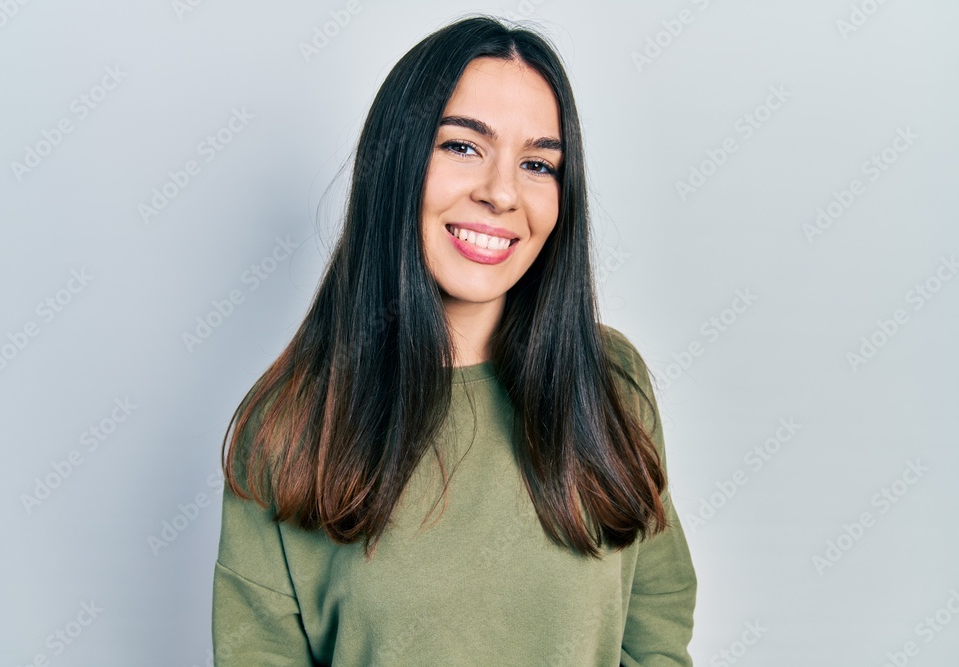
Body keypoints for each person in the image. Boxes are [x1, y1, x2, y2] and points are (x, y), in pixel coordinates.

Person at [212, 14, 697, 666]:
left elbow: (657, 624)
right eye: (462, 146)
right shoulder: (291, 424)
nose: (501, 192)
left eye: (537, 163)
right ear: (396, 163)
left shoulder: (610, 380)